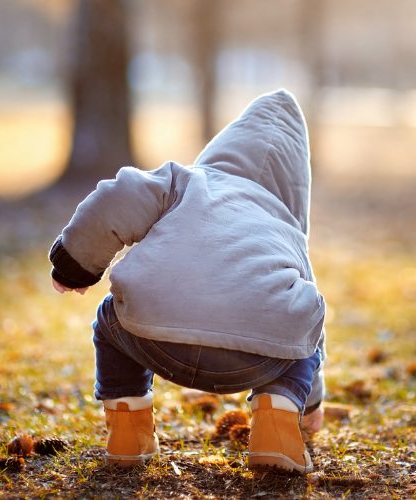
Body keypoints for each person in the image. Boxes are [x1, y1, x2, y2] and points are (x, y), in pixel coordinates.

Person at [49, 90, 326, 474]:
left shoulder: (186, 182)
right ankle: (278, 426)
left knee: (110, 321)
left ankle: (129, 433)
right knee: (305, 317)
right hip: (256, 358)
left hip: (151, 338)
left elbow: (121, 197)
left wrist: (74, 265)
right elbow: (308, 337)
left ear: (220, 150)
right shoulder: (286, 227)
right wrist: (310, 403)